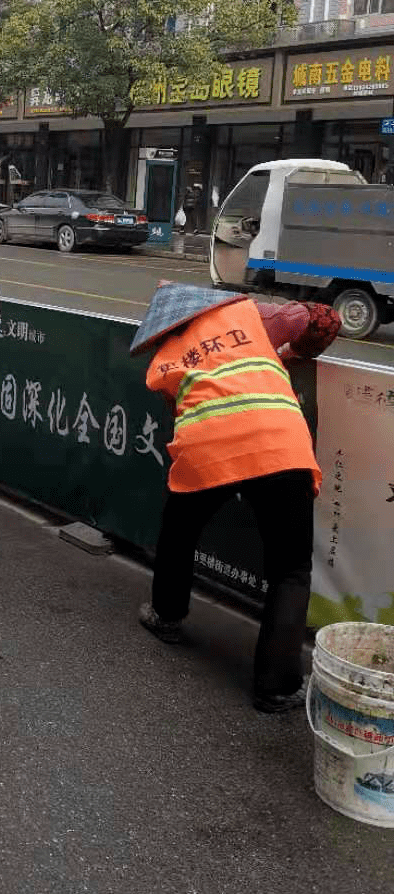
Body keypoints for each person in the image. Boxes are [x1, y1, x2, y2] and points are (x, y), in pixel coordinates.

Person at [131, 284, 341, 713]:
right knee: (291, 569)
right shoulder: (251, 314)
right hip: (280, 443)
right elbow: (324, 318)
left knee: (180, 530)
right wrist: (295, 357)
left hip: (207, 447)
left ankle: (166, 616)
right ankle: (276, 687)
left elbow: (182, 408)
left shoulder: (164, 356)